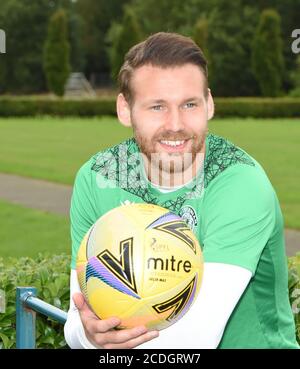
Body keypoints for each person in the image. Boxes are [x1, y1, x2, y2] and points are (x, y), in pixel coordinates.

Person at [64, 32, 299, 349]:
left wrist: (103, 343)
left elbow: (194, 339)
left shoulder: (239, 182)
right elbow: (77, 322)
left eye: (189, 104)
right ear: (124, 108)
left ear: (209, 104)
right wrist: (90, 335)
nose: (175, 124)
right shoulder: (97, 178)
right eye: (157, 106)